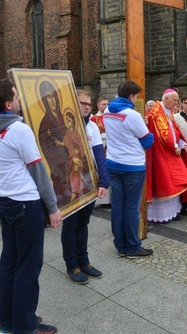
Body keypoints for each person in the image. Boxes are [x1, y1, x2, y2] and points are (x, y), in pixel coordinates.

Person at [0, 78, 62, 334]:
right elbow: (38, 171)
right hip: (26, 204)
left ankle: (7, 321)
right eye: (16, 97)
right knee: (28, 266)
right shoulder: (19, 130)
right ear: (8, 103)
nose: (20, 101)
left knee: (9, 263)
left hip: (4, 201)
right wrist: (52, 207)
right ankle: (24, 327)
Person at [61, 89, 110, 284]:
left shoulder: (92, 127)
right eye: (82, 103)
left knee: (84, 223)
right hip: (70, 182)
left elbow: (99, 155)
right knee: (71, 224)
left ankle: (84, 261)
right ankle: (71, 265)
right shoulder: (63, 129)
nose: (86, 107)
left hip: (89, 182)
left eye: (89, 104)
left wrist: (104, 181)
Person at [104, 80, 154, 258]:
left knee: (118, 206)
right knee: (132, 207)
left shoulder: (107, 111)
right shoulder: (131, 115)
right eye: (136, 97)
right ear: (131, 96)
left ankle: (120, 245)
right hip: (132, 165)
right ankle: (132, 247)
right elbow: (147, 140)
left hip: (113, 163)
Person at [146, 89, 187, 223]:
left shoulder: (168, 112)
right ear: (166, 99)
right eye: (175, 100)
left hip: (171, 152)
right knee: (164, 183)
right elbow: (162, 135)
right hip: (160, 154)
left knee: (175, 182)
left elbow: (174, 132)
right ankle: (161, 215)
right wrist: (174, 146)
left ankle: (172, 212)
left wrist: (182, 143)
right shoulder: (156, 112)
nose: (177, 103)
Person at [38, 80, 71, 207]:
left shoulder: (65, 118)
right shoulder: (44, 124)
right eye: (48, 97)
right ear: (44, 101)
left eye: (53, 96)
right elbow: (47, 150)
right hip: (60, 167)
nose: (52, 100)